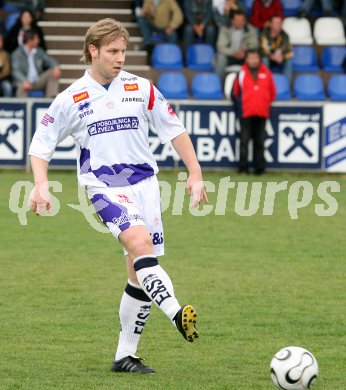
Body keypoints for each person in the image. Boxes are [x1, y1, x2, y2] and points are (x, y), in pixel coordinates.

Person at [28, 18, 208, 374]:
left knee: (138, 273)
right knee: (140, 246)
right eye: (112, 51)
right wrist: (40, 183)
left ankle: (125, 356)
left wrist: (196, 174)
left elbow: (175, 130)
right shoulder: (70, 98)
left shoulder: (142, 88)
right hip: (104, 187)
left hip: (146, 186)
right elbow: (41, 144)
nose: (120, 57)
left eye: (123, 50)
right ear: (92, 51)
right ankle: (175, 313)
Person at [231, 48, 276, 175]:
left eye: (256, 58)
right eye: (251, 58)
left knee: (260, 142)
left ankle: (260, 169)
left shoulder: (267, 73)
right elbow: (235, 93)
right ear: (246, 59)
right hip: (246, 113)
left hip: (261, 113)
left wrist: (264, 104)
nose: (254, 60)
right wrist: (241, 108)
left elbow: (272, 93)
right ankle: (243, 169)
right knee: (244, 141)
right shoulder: (241, 73)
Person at [11, 28, 60, 97]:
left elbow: (49, 60)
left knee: (52, 73)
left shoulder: (39, 51)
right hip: (23, 81)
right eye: (36, 39)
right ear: (30, 40)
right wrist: (24, 80)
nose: (38, 41)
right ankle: (22, 107)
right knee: (21, 86)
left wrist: (55, 66)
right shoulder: (17, 53)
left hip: (37, 81)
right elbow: (15, 71)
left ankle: (50, 103)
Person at [214, 9, 258, 81]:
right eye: (238, 20)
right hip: (229, 56)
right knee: (221, 57)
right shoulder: (225, 29)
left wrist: (245, 52)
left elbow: (254, 45)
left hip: (245, 56)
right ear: (232, 21)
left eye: (242, 20)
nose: (240, 22)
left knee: (254, 57)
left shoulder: (250, 29)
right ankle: (216, 83)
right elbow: (220, 47)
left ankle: (254, 85)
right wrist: (233, 53)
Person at [260, 14, 293, 83]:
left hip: (280, 59)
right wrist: (272, 56)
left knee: (289, 60)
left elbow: (288, 50)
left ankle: (286, 84)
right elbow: (263, 49)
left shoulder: (285, 35)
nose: (279, 25)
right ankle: (265, 83)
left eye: (280, 23)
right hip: (269, 58)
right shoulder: (264, 34)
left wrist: (282, 57)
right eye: (276, 23)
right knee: (264, 59)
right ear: (270, 24)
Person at [0, 32, 13, 97]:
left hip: (2, 80)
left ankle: (7, 106)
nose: (1, 42)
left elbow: (7, 70)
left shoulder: (5, 54)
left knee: (7, 87)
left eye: (1, 40)